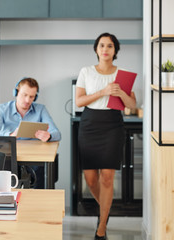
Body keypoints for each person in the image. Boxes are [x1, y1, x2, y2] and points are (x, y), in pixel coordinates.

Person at [76, 33, 136, 240]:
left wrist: (121, 94)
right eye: (102, 45)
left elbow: (132, 105)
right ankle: (105, 210)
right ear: (96, 49)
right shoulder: (86, 71)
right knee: (91, 179)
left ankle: (101, 228)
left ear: (115, 50)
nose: (105, 49)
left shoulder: (123, 74)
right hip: (90, 124)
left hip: (112, 125)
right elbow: (79, 101)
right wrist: (103, 92)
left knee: (107, 177)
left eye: (110, 46)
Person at [0, 77, 61, 188]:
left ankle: (39, 202)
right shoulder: (2, 109)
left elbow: (57, 133)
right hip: (11, 155)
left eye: (31, 97)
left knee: (42, 176)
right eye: (24, 95)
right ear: (16, 92)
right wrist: (10, 135)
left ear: (35, 97)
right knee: (5, 175)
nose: (27, 100)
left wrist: (49, 136)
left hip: (34, 157)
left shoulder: (40, 109)